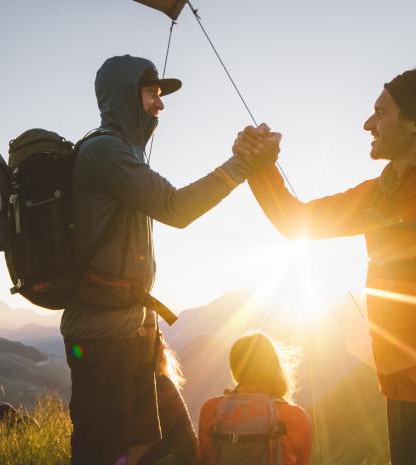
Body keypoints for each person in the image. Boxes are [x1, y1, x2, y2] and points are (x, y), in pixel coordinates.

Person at [237, 67, 416, 465]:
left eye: (381, 112)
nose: (368, 123)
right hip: (404, 406)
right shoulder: (383, 193)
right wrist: (260, 166)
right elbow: (295, 221)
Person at [64, 54, 276, 465]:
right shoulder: (105, 152)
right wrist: (243, 164)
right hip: (104, 340)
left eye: (160, 96)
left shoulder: (124, 154)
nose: (160, 105)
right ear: (125, 96)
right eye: (150, 93)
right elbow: (176, 208)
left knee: (164, 448)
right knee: (105, 454)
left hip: (132, 333)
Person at [197, 332, 313, 465]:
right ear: (273, 365)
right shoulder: (295, 417)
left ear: (235, 369)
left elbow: (203, 459)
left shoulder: (211, 409)